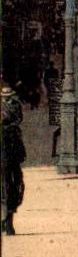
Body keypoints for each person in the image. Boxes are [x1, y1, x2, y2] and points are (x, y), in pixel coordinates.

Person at [1, 82, 26, 236]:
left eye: (8, 97)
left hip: (12, 148)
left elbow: (18, 120)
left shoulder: (16, 105)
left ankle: (9, 220)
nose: (7, 99)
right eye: (5, 97)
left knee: (14, 183)